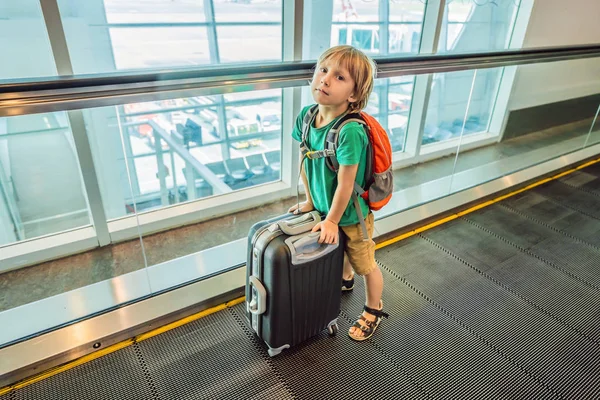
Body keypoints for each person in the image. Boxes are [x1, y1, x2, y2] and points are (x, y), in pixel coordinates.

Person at [289, 45, 388, 341]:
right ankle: (345, 280)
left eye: (340, 77)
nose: (326, 79)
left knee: (365, 263)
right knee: (339, 251)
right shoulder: (307, 117)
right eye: (323, 70)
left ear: (354, 95)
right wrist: (310, 200)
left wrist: (331, 219)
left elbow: (346, 184)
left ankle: (374, 308)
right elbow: (305, 158)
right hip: (325, 208)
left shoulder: (350, 131)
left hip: (352, 214)